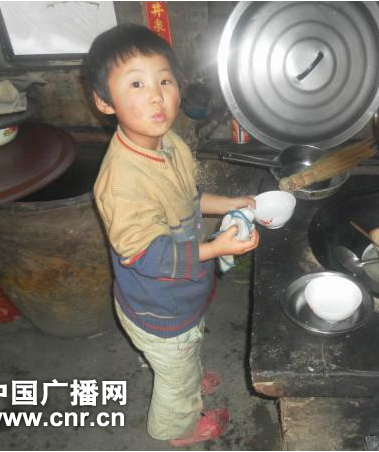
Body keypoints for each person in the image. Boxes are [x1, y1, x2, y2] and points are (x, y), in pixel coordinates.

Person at [84, 23, 259, 446]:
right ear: (104, 102)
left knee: (185, 354)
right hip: (159, 309)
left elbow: (189, 199)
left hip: (181, 295)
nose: (156, 96)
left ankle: (185, 372)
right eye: (136, 84)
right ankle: (177, 428)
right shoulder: (123, 182)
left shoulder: (169, 143)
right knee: (175, 382)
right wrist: (216, 246)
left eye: (164, 80)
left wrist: (232, 203)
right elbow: (147, 256)